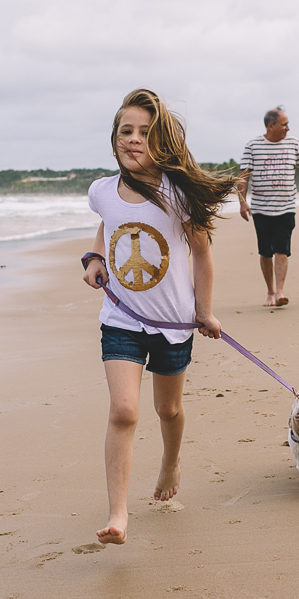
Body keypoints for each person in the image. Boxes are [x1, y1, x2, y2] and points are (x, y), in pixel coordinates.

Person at [82, 88, 236, 545]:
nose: (133, 139)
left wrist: (204, 312)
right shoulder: (102, 191)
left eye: (144, 133)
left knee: (167, 409)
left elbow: (203, 256)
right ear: (113, 140)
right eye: (125, 131)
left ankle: (171, 460)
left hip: (173, 325)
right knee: (124, 411)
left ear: (162, 142)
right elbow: (106, 226)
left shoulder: (177, 194)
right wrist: (94, 259)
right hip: (122, 320)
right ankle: (118, 514)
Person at [237, 107, 299, 307]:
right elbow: (243, 175)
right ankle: (270, 292)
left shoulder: (294, 144)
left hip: (286, 206)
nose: (288, 128)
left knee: (281, 249)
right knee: (265, 252)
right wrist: (242, 202)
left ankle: (280, 292)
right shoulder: (253, 145)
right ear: (271, 126)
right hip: (261, 209)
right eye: (284, 124)